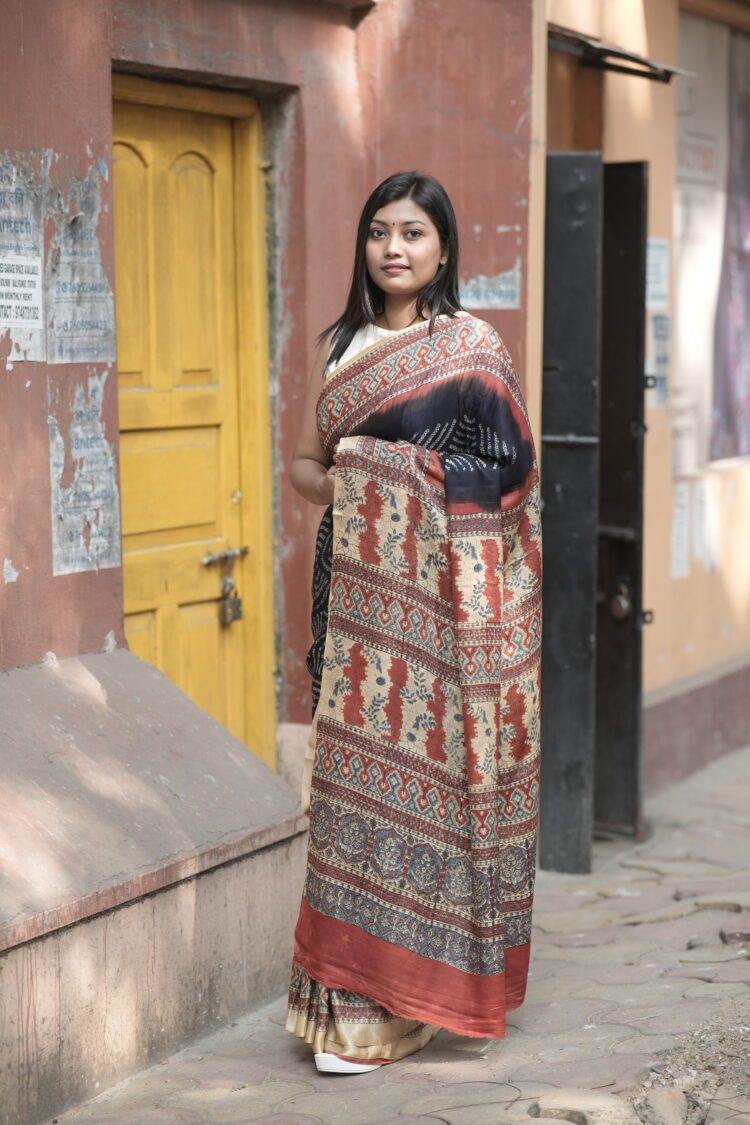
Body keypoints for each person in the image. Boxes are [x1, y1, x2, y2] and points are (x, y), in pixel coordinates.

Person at [286, 171, 542, 1075]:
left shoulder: (471, 349)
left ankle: (423, 994)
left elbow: (513, 477)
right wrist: (361, 478)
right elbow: (307, 467)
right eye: (379, 233)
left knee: (435, 790)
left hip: (445, 607)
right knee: (349, 793)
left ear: (443, 249)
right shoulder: (343, 347)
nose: (393, 249)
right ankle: (352, 1006)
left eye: (414, 234)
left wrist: (403, 485)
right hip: (354, 598)